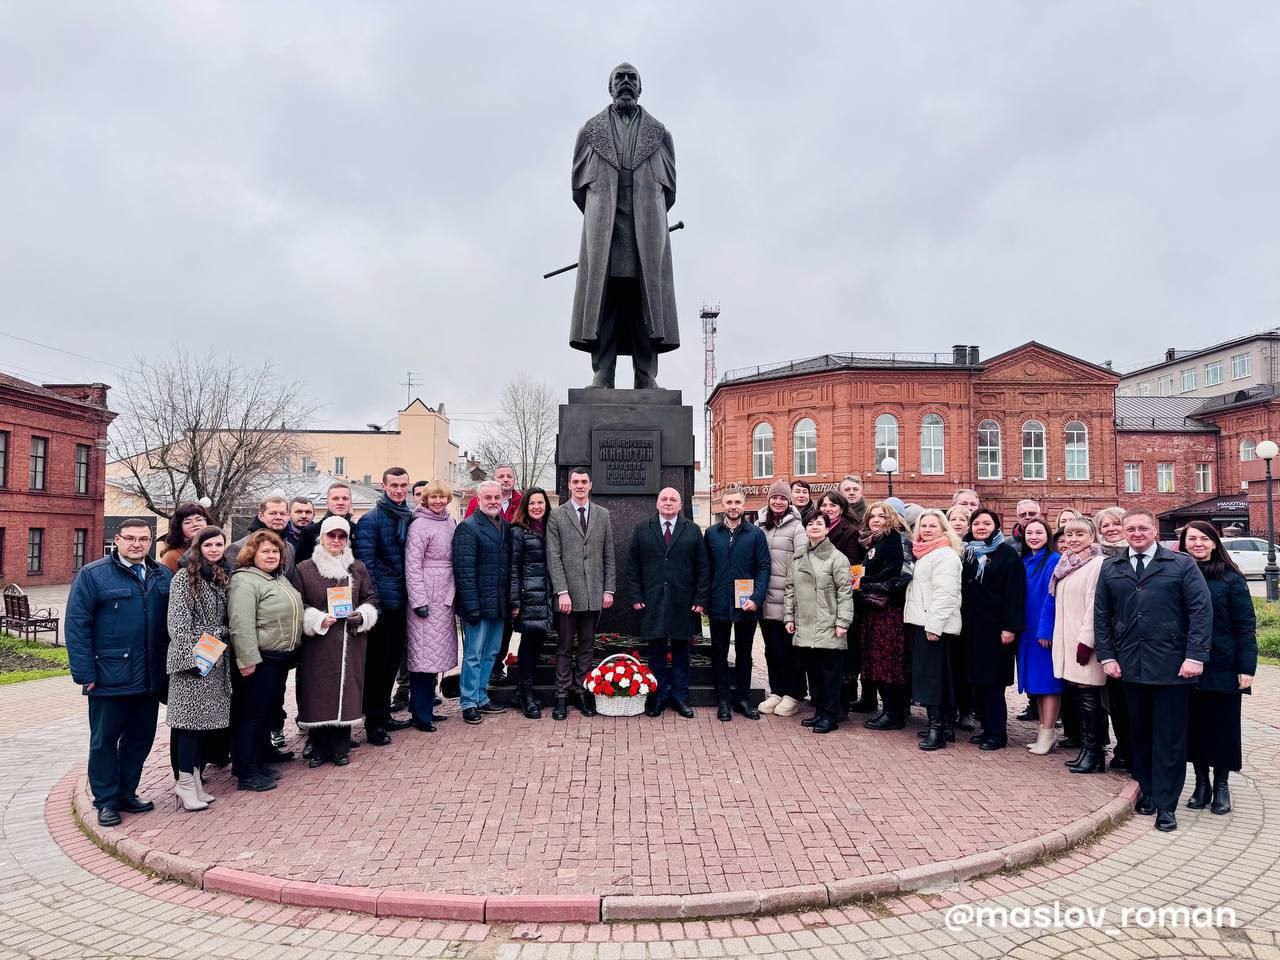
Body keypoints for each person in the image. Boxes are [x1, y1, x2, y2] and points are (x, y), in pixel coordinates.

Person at [1095, 508, 1212, 832]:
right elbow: (1102, 616)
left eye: (1142, 528)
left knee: (1170, 739)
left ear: (1154, 531)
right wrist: (1107, 656)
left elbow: (1201, 612)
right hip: (1130, 665)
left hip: (1173, 667)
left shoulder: (1181, 565)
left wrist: (1195, 656)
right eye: (1130, 528)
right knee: (1139, 734)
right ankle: (1146, 789)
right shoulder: (1112, 567)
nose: (1136, 533)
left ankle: (1166, 804)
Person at [570, 62, 678, 389]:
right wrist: (602, 216)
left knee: (643, 304)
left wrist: (646, 216)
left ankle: (647, 377)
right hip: (605, 233)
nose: (626, 82)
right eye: (620, 78)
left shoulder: (660, 135)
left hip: (646, 231)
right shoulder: (589, 132)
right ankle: (602, 375)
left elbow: (669, 192)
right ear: (610, 86)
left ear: (641, 88)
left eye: (633, 78)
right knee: (607, 303)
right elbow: (578, 191)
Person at [66, 518, 172, 827]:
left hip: (149, 677)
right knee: (104, 741)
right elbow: (76, 625)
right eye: (131, 538)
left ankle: (127, 792)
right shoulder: (93, 575)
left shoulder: (161, 575)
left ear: (151, 541)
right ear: (118, 539)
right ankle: (106, 801)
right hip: (108, 676)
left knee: (140, 740)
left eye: (144, 538)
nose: (137, 544)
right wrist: (84, 672)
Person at [1178, 521, 1256, 815]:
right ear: (1184, 544)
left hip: (1224, 663)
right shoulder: (1180, 574)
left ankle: (1221, 785)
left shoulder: (1231, 579)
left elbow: (1245, 625)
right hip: (1188, 664)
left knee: (1223, 727)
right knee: (1195, 726)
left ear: (1214, 542)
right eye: (1191, 539)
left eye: (1203, 539)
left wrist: (1246, 668)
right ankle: (1201, 784)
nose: (1197, 543)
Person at [295, 516, 379, 765]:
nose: (336, 540)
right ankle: (319, 747)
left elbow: (371, 598)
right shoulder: (305, 568)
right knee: (318, 691)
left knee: (347, 690)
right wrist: (317, 619)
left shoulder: (357, 567)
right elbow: (299, 603)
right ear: (322, 537)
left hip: (350, 640)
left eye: (342, 536)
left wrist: (362, 614)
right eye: (331, 535)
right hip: (319, 642)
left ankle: (341, 747)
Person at [227, 530, 303, 792]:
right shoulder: (245, 581)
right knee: (250, 716)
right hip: (259, 660)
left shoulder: (275, 578)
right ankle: (247, 772)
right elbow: (241, 623)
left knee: (263, 714)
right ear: (252, 554)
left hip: (277, 658)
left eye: (275, 551)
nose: (271, 556)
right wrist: (247, 660)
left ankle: (256, 762)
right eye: (265, 552)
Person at [164, 525, 233, 811]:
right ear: (198, 547)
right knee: (188, 727)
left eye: (219, 545)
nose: (215, 550)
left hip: (214, 659)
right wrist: (191, 660)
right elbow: (178, 624)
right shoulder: (184, 577)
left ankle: (194, 780)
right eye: (209, 545)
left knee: (200, 727)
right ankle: (185, 783)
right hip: (192, 662)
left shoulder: (218, 576)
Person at [627, 487, 709, 718]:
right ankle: (659, 696)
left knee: (682, 652)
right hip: (652, 601)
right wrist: (636, 596)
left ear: (681, 505)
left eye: (673, 499)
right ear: (657, 503)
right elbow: (633, 565)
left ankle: (681, 697)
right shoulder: (643, 529)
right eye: (664, 499)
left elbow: (702, 567)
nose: (668, 502)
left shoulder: (692, 530)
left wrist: (700, 598)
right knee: (656, 653)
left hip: (684, 602)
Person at [1038, 517, 1108, 773]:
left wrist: (1086, 641)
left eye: (1080, 534)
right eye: (1069, 535)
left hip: (1084, 643)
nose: (1073, 539)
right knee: (1080, 696)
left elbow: (1095, 606)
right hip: (1066, 639)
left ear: (1092, 536)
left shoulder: (1097, 564)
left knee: (1090, 698)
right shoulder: (1068, 565)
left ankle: (1095, 753)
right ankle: (1087, 750)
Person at [546, 467, 615, 720]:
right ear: (569, 485)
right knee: (564, 646)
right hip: (568, 595)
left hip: (594, 593)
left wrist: (608, 589)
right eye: (575, 482)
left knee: (587, 646)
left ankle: (582, 692)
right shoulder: (557, 515)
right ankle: (562, 697)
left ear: (590, 485)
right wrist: (561, 592)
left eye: (584, 482)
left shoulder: (603, 515)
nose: (579, 486)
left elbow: (608, 554)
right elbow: (553, 556)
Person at [353, 467, 414, 744]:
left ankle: (384, 713)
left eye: (403, 485)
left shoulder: (407, 517)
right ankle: (374, 723)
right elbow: (366, 566)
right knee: (377, 665)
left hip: (402, 599)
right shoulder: (371, 521)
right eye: (394, 485)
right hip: (382, 605)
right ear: (383, 486)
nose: (399, 490)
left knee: (391, 663)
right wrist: (375, 602)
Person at [704, 483, 770, 721]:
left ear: (744, 505)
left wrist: (757, 598)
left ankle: (742, 698)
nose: (733, 507)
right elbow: (706, 569)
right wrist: (705, 599)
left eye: (737, 502)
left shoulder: (755, 534)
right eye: (729, 502)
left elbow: (763, 567)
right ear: (723, 505)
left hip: (747, 604)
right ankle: (723, 700)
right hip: (719, 602)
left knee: (744, 652)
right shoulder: (712, 533)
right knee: (719, 652)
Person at [961, 509, 1026, 751]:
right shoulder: (969, 553)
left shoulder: (1007, 555)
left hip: (997, 630)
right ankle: (986, 728)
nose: (980, 527)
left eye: (986, 523)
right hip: (973, 628)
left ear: (996, 526)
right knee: (978, 681)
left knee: (993, 683)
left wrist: (1010, 627)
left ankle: (997, 734)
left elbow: (1014, 594)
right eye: (976, 523)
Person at [784, 513, 854, 734]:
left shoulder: (837, 558)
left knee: (830, 673)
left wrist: (843, 621)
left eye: (819, 524)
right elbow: (790, 590)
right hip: (805, 622)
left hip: (829, 622)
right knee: (814, 672)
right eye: (810, 523)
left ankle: (830, 716)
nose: (814, 527)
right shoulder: (798, 557)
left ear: (827, 529)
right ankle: (820, 712)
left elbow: (845, 592)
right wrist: (789, 617)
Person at [452, 480, 512, 724]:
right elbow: (464, 571)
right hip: (477, 603)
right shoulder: (468, 528)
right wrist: (471, 606)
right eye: (488, 498)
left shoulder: (504, 525)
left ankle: (481, 695)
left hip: (498, 603)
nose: (493, 502)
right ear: (478, 499)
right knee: (474, 654)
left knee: (491, 652)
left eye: (496, 497)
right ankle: (468, 701)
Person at [904, 510, 964, 750]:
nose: (927, 530)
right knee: (937, 677)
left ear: (943, 529)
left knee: (932, 680)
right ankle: (945, 726)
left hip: (933, 625)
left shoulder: (945, 555)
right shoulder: (926, 554)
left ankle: (937, 729)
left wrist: (934, 626)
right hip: (925, 621)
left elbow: (946, 594)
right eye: (923, 526)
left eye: (932, 526)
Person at [405, 480, 459, 731]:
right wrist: (418, 600)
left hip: (445, 594)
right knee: (423, 657)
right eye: (433, 497)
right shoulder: (419, 525)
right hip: (426, 595)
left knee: (436, 657)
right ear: (425, 499)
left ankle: (426, 707)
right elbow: (412, 565)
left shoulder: (449, 522)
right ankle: (421, 712)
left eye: (442, 497)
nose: (438, 501)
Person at [817, 491, 874, 716]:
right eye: (824, 505)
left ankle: (842, 704)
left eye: (833, 505)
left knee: (843, 653)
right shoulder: (815, 530)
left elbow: (852, 567)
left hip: (840, 598)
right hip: (818, 600)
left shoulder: (850, 532)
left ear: (841, 508)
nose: (828, 508)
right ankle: (825, 701)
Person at [465, 466, 522, 683]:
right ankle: (472, 696)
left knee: (497, 641)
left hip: (504, 585)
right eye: (501, 476)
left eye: (509, 476)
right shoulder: (472, 516)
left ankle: (490, 679)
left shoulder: (517, 507)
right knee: (476, 649)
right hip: (482, 587)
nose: (506, 479)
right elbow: (468, 559)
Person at [858, 501, 912, 731]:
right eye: (872, 516)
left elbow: (897, 575)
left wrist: (863, 582)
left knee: (888, 664)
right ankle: (888, 710)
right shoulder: (877, 541)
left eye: (881, 516)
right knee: (877, 662)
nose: (876, 520)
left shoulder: (894, 540)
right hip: (874, 609)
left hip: (889, 612)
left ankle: (894, 713)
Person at [757, 479, 807, 716]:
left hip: (787, 599)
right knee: (770, 648)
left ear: (788, 502)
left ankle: (793, 694)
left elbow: (801, 563)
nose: (778, 502)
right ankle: (776, 690)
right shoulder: (760, 525)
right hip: (764, 599)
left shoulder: (797, 527)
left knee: (789, 650)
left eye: (782, 498)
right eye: (774, 498)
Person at [1016, 518, 1062, 754]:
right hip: (1026, 629)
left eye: (1039, 532)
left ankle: (1048, 730)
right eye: (1029, 533)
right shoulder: (1025, 560)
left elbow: (1051, 598)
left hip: (1042, 631)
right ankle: (1046, 732)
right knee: (1036, 684)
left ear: (1048, 535)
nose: (1034, 536)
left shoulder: (1053, 560)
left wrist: (1046, 629)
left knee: (1048, 684)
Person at [1092, 505, 1131, 768]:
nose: (1111, 529)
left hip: (1134, 639)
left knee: (1132, 700)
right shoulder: (1095, 557)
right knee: (1112, 699)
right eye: (1105, 526)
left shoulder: (1138, 553)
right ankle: (1122, 749)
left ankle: (1133, 750)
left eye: (1116, 523)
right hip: (1108, 638)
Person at [510, 487, 553, 719]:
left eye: (541, 503)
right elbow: (514, 568)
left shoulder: (549, 529)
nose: (537, 507)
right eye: (532, 503)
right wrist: (515, 600)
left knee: (537, 644)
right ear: (525, 506)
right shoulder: (518, 531)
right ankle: (525, 694)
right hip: (529, 597)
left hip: (545, 596)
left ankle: (522, 691)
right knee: (528, 645)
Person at [230, 496, 297, 575]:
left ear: (288, 516)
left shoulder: (290, 548)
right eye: (272, 513)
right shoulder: (238, 548)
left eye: (282, 514)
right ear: (261, 516)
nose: (278, 517)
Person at [295, 483, 355, 565]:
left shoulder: (357, 531)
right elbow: (301, 569)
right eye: (335, 498)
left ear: (350, 502)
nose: (341, 502)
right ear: (327, 503)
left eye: (345, 498)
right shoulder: (309, 532)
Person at [159, 502, 213, 572]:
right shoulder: (172, 556)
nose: (195, 524)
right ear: (179, 527)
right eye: (188, 522)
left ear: (207, 522)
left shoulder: (217, 550)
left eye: (199, 520)